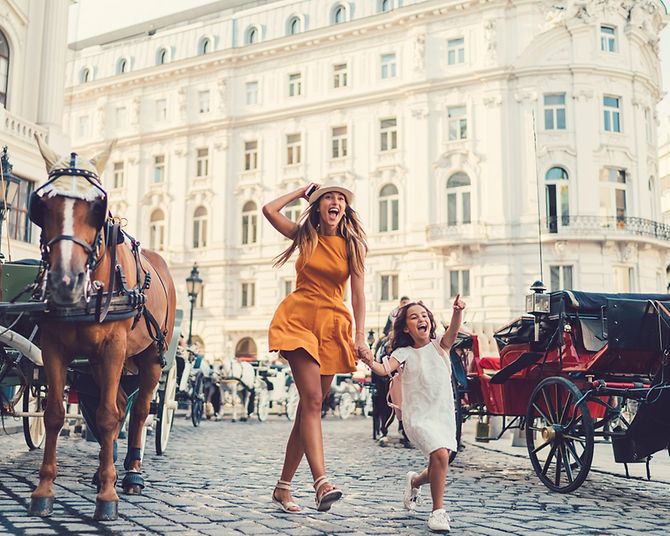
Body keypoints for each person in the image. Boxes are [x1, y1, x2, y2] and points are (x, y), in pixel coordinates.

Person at [263, 183, 369, 513]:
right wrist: (298, 192)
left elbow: (358, 294)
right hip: (299, 318)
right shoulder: (305, 235)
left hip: (333, 323)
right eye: (328, 198)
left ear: (345, 209)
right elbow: (269, 210)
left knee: (310, 408)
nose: (335, 202)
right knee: (311, 399)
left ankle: (283, 487)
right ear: (319, 206)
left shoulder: (352, 245)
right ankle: (321, 481)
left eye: (340, 199)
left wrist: (360, 335)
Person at [360, 296, 465, 532]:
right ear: (406, 327)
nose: (421, 319)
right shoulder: (404, 352)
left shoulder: (440, 345)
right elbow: (383, 368)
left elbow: (454, 332)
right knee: (439, 455)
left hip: (443, 413)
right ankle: (438, 512)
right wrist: (368, 360)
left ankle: (415, 480)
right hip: (418, 416)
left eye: (424, 315)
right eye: (414, 317)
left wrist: (457, 312)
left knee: (441, 460)